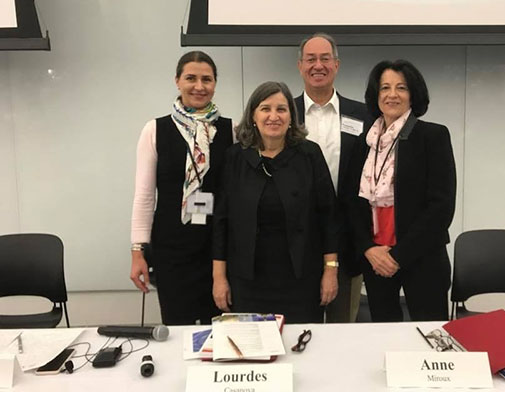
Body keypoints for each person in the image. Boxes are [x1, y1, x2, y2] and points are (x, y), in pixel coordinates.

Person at [212, 81, 339, 324]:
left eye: (281, 109)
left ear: (291, 116)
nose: (273, 116)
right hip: (247, 281)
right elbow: (221, 222)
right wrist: (219, 278)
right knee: (252, 349)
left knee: (302, 349)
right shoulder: (235, 158)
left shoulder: (309, 155)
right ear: (253, 116)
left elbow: (329, 218)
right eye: (265, 109)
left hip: (301, 279)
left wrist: (330, 270)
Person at [347, 59, 456, 322]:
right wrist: (368, 249)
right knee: (385, 335)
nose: (392, 95)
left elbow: (441, 207)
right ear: (376, 95)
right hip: (375, 258)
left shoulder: (433, 137)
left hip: (422, 257)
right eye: (385, 88)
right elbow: (350, 202)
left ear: (413, 94)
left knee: (430, 338)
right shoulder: (364, 142)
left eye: (401, 88)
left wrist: (397, 256)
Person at [130, 51, 233, 325]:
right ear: (177, 81)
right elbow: (144, 196)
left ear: (215, 84)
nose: (199, 86)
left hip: (219, 250)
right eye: (191, 78)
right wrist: (137, 250)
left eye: (206, 79)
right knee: (178, 330)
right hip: (171, 248)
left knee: (221, 331)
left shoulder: (231, 130)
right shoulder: (155, 130)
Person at [295, 33, 370, 323]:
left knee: (343, 329)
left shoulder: (363, 115)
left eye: (325, 58)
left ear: (336, 65)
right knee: (299, 327)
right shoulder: (283, 113)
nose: (318, 65)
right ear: (300, 66)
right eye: (311, 59)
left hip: (348, 242)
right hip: (296, 242)